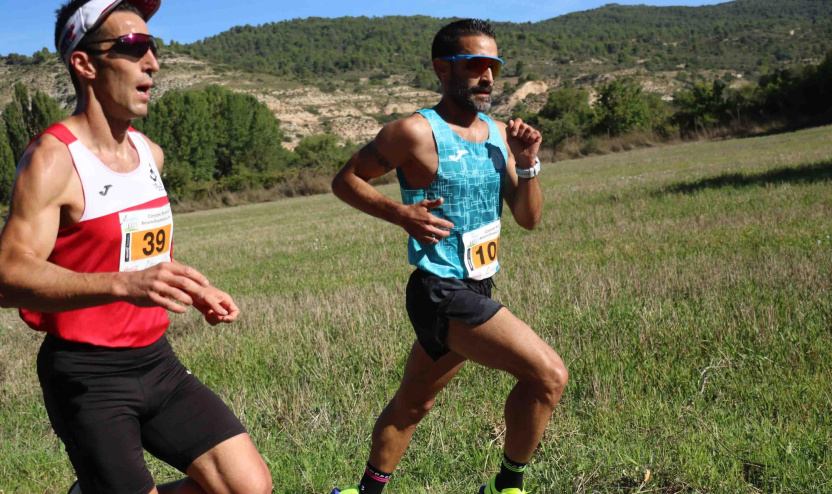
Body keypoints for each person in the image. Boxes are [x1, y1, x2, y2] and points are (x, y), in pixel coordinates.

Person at [0, 1, 272, 493]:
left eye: (154, 47)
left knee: (247, 487)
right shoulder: (52, 159)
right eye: (133, 47)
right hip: (87, 373)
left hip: (155, 360)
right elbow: (8, 275)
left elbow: (141, 257)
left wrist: (190, 286)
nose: (153, 62)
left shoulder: (150, 154)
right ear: (84, 64)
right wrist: (124, 285)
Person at [329, 19, 568, 494]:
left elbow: (528, 218)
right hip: (438, 290)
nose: (488, 76)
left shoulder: (499, 134)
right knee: (548, 375)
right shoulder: (414, 132)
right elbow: (345, 180)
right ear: (443, 69)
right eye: (475, 65)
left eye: (493, 65)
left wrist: (527, 165)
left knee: (413, 403)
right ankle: (506, 486)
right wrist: (400, 213)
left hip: (477, 284)